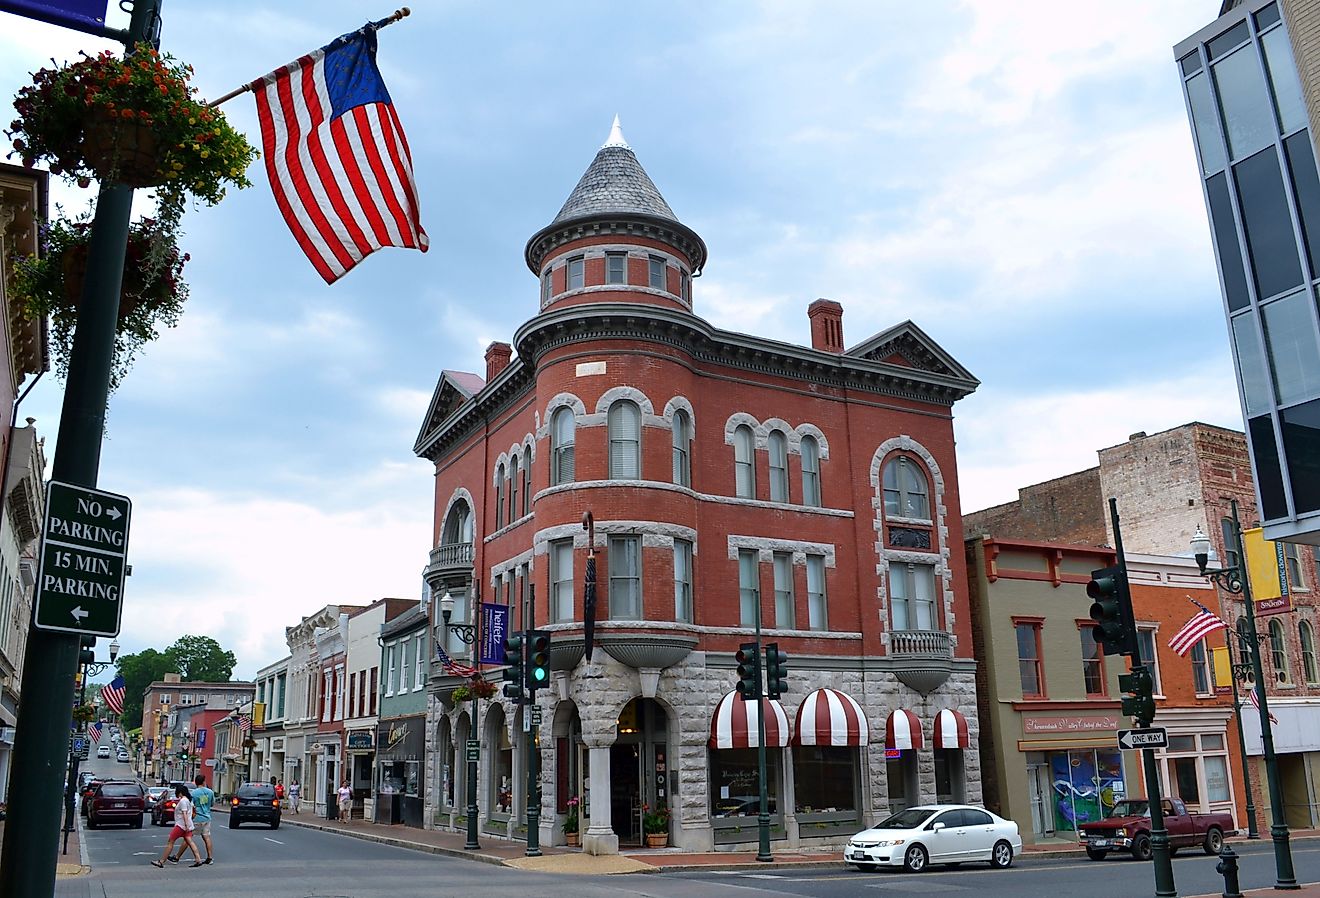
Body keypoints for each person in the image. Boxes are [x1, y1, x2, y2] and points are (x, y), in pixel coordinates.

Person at [151, 784, 202, 868]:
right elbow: (192, 813)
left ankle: (162, 861)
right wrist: (188, 824)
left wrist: (185, 824)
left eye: (177, 793)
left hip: (181, 825)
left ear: (180, 793)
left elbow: (184, 813)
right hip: (188, 825)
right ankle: (198, 859)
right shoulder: (188, 801)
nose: (177, 795)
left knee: (170, 842)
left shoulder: (183, 801)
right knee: (190, 842)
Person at [169, 775, 214, 865]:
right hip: (207, 817)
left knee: (187, 838)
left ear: (196, 782)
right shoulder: (210, 792)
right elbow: (212, 804)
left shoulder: (193, 794)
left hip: (196, 818)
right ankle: (209, 857)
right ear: (204, 781)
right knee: (207, 837)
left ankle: (177, 857)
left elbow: (191, 805)